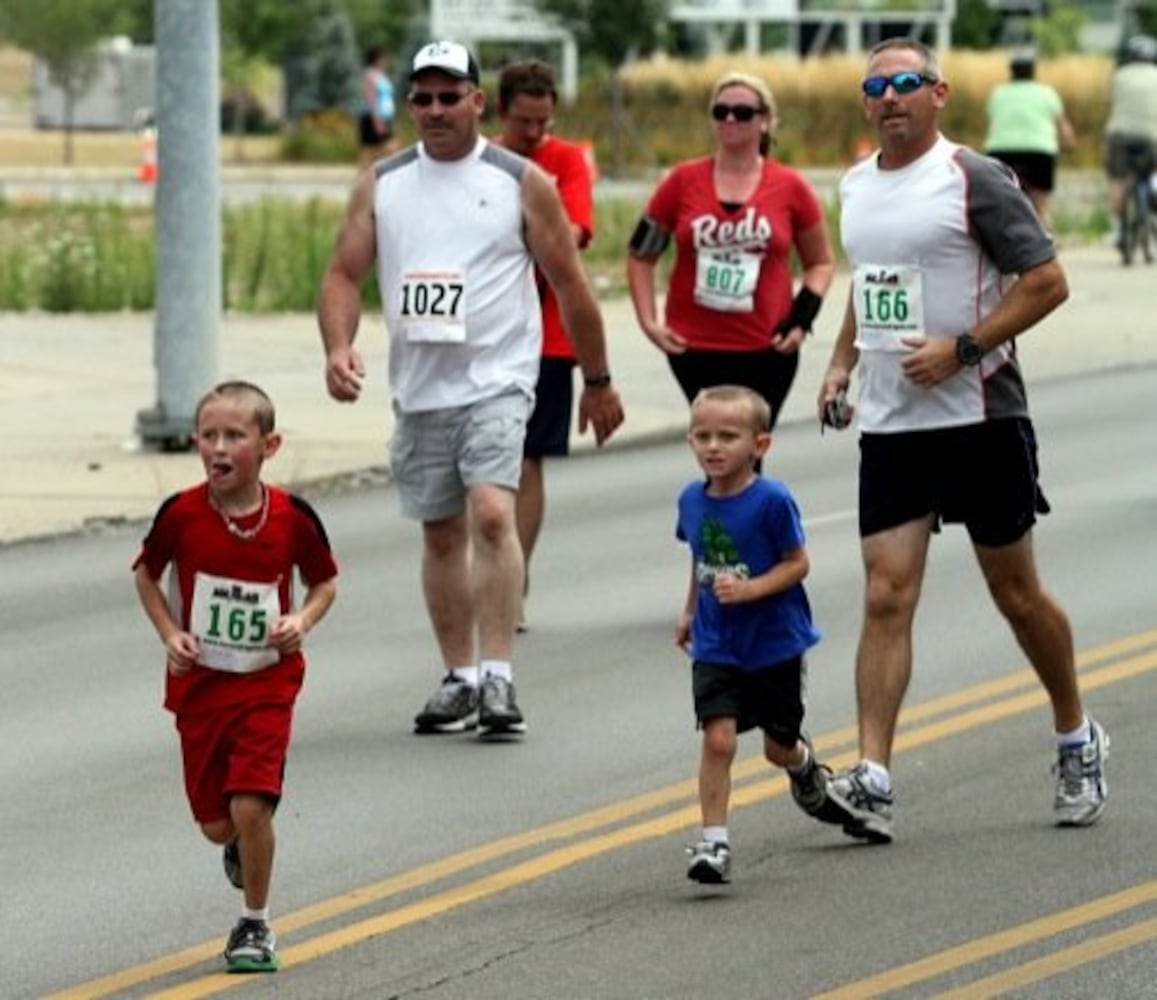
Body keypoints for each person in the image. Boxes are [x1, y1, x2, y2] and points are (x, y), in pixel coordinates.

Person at [817, 37, 1108, 846]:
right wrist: (840, 364)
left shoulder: (973, 178)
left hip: (980, 416)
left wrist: (964, 348)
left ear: (937, 92)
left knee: (1015, 598)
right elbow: (866, 282)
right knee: (884, 593)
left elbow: (1046, 281)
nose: (889, 97)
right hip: (893, 427)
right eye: (875, 86)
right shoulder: (853, 185)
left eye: (905, 83)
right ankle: (871, 776)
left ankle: (1074, 734)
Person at [317, 41, 624, 738]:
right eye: (421, 98)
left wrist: (597, 379)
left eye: (448, 96)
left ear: (477, 102)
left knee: (490, 512)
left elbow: (570, 285)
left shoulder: (520, 180)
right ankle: (458, 676)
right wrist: (338, 347)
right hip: (422, 386)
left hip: (499, 378)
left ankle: (499, 678)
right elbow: (342, 274)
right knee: (440, 530)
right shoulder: (383, 181)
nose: (433, 110)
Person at [132, 381, 338, 973]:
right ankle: (237, 845)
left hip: (266, 685)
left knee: (251, 807)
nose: (219, 448)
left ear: (268, 445)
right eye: (209, 435)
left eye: (234, 436)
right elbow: (147, 575)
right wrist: (170, 634)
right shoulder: (181, 514)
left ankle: (255, 924)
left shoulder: (294, 519)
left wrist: (301, 619)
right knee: (216, 822)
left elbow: (325, 582)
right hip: (200, 688)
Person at [676, 385, 852, 884]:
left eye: (728, 436)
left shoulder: (772, 501)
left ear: (761, 445)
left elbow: (798, 564)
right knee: (718, 738)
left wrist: (753, 589)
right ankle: (714, 843)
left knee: (778, 747)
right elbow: (699, 556)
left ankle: (804, 768)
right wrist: (689, 610)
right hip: (717, 640)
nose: (714, 447)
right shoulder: (691, 500)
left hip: (773, 641)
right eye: (703, 436)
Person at [627, 71, 835, 430]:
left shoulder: (790, 187)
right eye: (720, 111)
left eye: (742, 112)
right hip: (694, 347)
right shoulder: (681, 182)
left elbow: (821, 262)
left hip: (767, 348)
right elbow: (640, 255)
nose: (729, 120)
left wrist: (802, 319)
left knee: (747, 450)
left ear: (765, 121)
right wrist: (648, 322)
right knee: (716, 448)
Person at [494, 58, 595, 631]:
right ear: (501, 111)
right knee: (483, 464)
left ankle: (516, 576)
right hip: (483, 333)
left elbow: (575, 233)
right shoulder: (482, 161)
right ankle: (490, 563)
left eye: (543, 121)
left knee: (528, 459)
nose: (534, 133)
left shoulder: (565, 161)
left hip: (548, 336)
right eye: (524, 121)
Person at [983, 47, 1075, 231]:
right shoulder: (1047, 93)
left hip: (1002, 151)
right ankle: (1044, 242)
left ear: (1011, 71)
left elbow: (993, 121)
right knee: (1040, 205)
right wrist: (1069, 144)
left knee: (1001, 202)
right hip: (1039, 151)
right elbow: (1063, 126)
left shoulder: (999, 93)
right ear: (1033, 71)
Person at [1105, 34, 1157, 256]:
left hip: (1120, 135)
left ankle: (1118, 231)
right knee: (1154, 171)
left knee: (1118, 180)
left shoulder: (1119, 76)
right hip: (1150, 136)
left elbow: (1112, 103)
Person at [359, 45, 397, 167]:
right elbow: (371, 100)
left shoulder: (382, 75)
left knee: (372, 154)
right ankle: (361, 180)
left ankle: (371, 179)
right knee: (387, 149)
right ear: (376, 59)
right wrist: (377, 121)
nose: (386, 61)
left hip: (384, 117)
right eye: (384, 58)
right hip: (373, 118)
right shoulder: (370, 75)